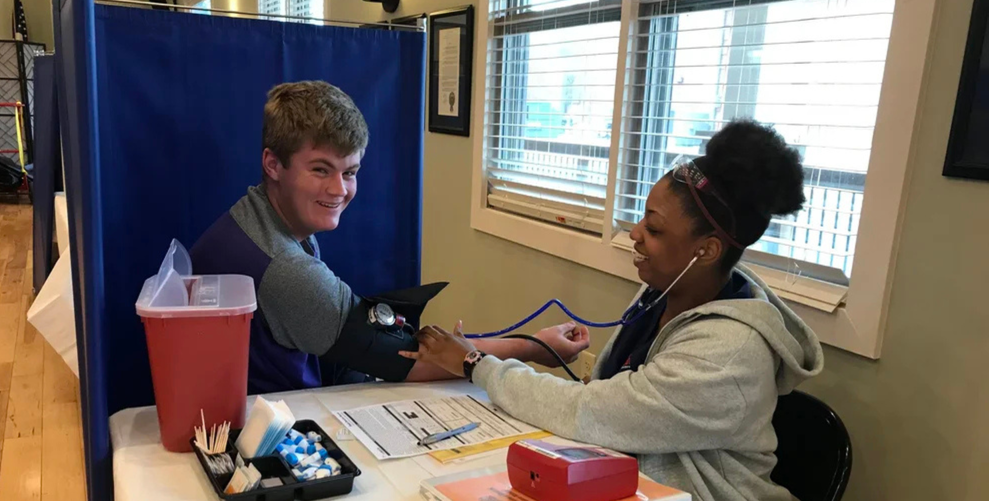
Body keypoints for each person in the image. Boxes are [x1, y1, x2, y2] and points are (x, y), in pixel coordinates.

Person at [400, 120, 824, 501]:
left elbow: (591, 412)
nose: (635, 234)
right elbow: (608, 399)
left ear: (707, 250)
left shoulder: (730, 354)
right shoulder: (662, 293)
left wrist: (477, 363)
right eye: (643, 218)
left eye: (654, 229)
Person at [189, 80, 590, 395]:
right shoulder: (285, 269)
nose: (339, 190)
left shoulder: (251, 219)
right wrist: (535, 348)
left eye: (350, 172)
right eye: (320, 170)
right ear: (273, 164)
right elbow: (410, 359)